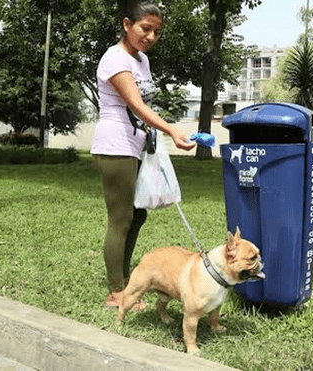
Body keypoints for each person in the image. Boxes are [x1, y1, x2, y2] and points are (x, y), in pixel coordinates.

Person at [90, 2, 195, 309]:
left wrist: (154, 137)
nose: (150, 36)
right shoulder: (114, 59)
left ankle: (125, 280)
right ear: (127, 24)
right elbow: (136, 104)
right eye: (144, 28)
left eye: (156, 32)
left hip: (136, 144)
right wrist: (172, 130)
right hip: (115, 145)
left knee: (138, 214)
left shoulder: (142, 60)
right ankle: (116, 292)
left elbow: (145, 106)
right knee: (121, 217)